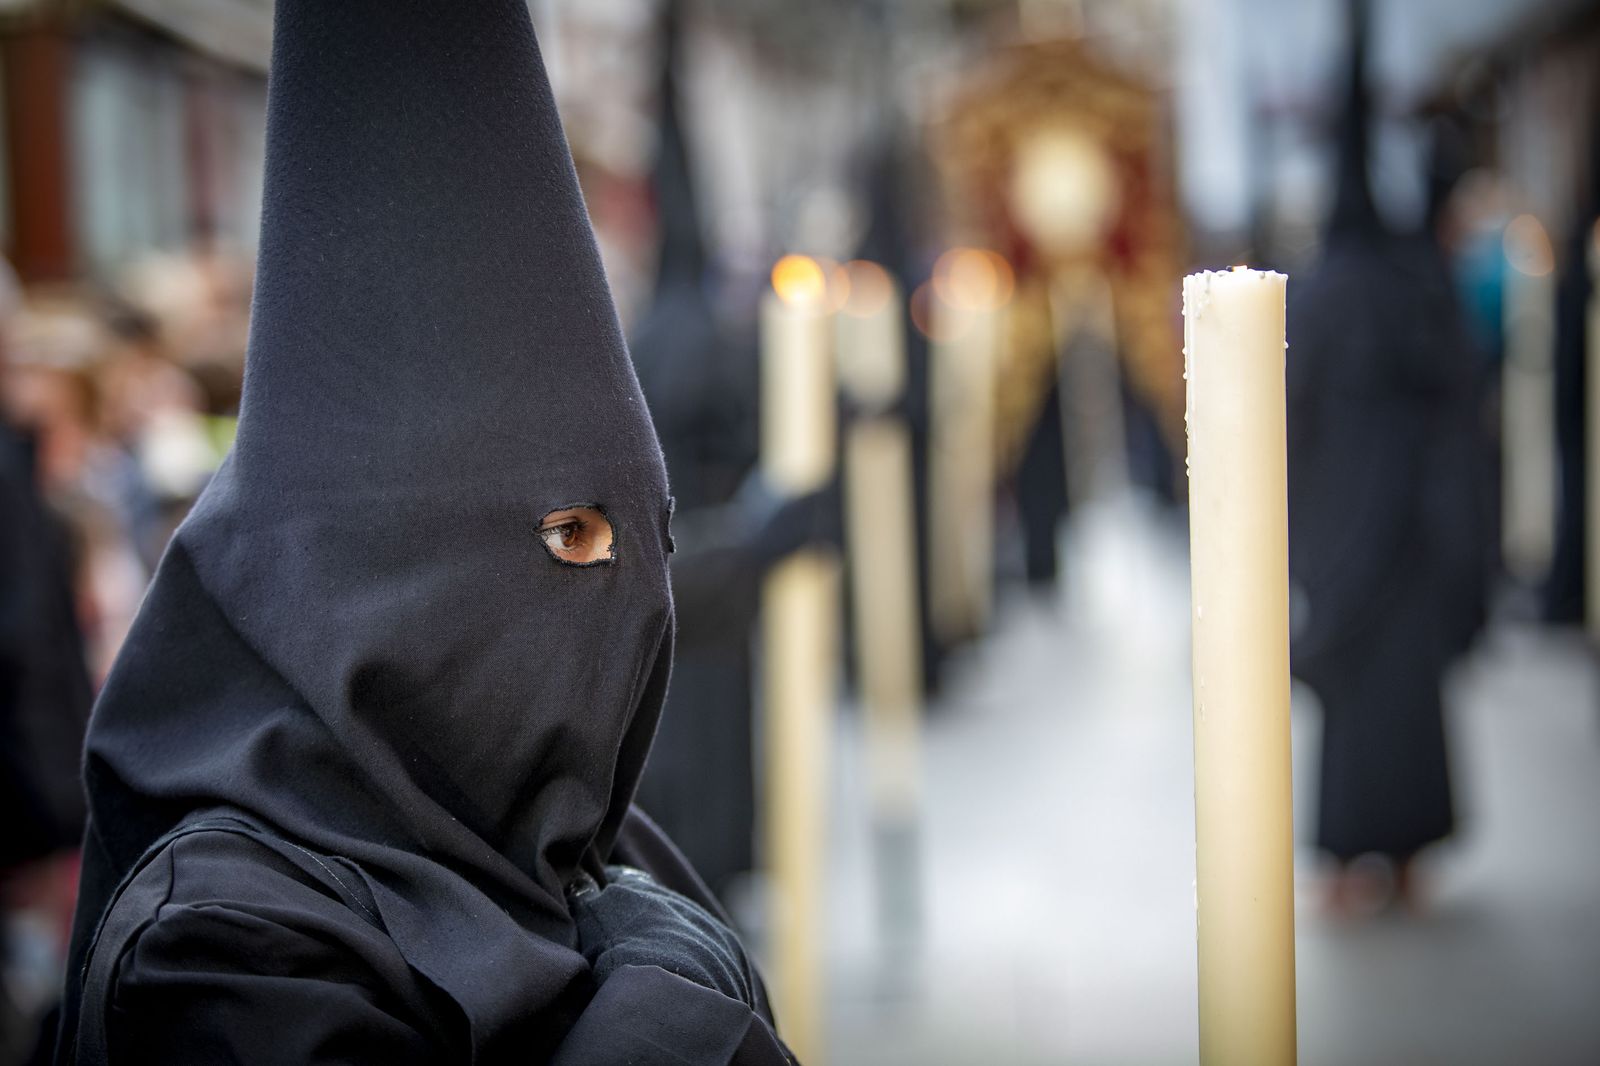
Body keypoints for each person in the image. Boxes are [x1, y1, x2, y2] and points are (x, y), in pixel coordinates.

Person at [54, 2, 793, 1062]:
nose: (613, 586)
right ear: (388, 564)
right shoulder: (217, 944)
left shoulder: (594, 847)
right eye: (565, 535)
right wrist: (669, 1019)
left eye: (628, 535)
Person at [1287, 0, 1486, 912]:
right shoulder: (1397, 292)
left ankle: (1389, 851)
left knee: (1392, 684)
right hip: (1379, 519)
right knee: (1378, 684)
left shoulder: (1349, 294)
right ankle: (1375, 853)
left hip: (1386, 520)